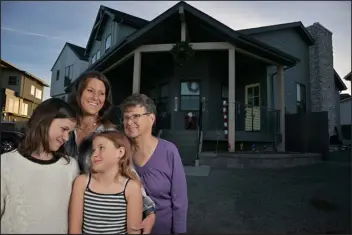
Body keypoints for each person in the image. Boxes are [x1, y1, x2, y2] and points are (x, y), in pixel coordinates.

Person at [65, 71, 156, 232]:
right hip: (61, 210)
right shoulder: (64, 127)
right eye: (90, 90)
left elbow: (128, 172)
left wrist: (148, 210)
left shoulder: (111, 133)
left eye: (102, 93)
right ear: (79, 93)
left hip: (92, 216)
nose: (95, 97)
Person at [1, 98, 79, 234]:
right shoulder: (6, 162)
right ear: (45, 121)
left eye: (70, 132)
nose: (66, 137)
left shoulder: (70, 167)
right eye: (64, 129)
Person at [120, 93, 188, 234]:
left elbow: (180, 200)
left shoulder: (169, 151)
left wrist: (179, 231)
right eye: (126, 117)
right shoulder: (121, 151)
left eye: (136, 116)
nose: (129, 122)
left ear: (151, 119)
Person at [69, 131, 143, 234]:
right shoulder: (82, 183)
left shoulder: (131, 188)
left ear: (120, 152)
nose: (94, 155)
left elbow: (134, 232)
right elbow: (74, 230)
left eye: (101, 148)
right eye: (93, 150)